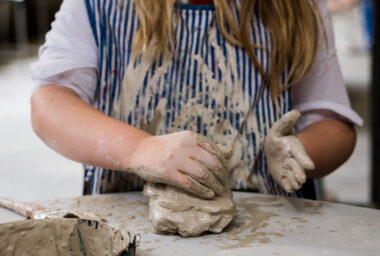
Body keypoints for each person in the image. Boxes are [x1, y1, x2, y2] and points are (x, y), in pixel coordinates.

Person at [30, 0, 362, 200]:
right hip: (127, 228)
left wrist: (302, 148)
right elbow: (49, 103)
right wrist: (140, 149)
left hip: (267, 234)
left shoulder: (296, 9)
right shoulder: (99, 5)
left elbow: (334, 125)